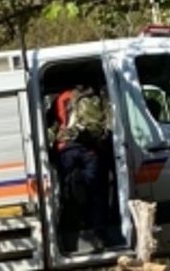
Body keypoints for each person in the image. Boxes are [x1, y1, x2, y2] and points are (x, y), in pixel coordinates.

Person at [51, 85, 111, 249]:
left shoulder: (61, 97)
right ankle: (99, 236)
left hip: (66, 150)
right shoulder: (96, 96)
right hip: (89, 150)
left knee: (67, 194)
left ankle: (68, 238)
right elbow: (106, 124)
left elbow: (52, 123)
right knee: (96, 193)